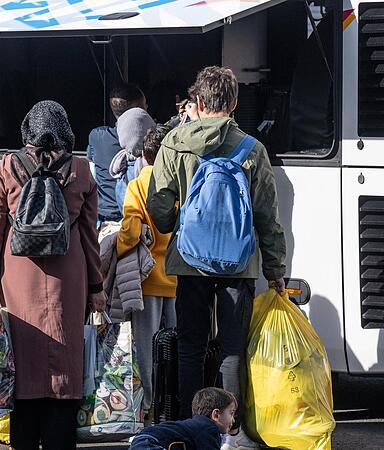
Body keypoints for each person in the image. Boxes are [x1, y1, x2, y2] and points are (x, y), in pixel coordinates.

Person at [147, 66, 286, 449]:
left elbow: (158, 211)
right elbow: (267, 217)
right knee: (230, 350)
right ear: (235, 103)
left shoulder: (174, 143)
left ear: (199, 102)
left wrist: (184, 220)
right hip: (239, 264)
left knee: (190, 345)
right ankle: (231, 434)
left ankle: (194, 429)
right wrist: (276, 270)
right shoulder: (252, 149)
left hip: (190, 262)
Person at [0, 100, 106, 449]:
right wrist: (96, 286)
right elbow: (90, 237)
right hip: (70, 277)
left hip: (18, 277)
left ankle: (23, 440)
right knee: (65, 359)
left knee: (22, 363)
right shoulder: (80, 170)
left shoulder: (8, 166)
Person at [116, 125, 176, 417]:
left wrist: (114, 245)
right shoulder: (180, 182)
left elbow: (129, 232)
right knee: (177, 344)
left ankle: (149, 405)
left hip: (149, 279)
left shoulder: (138, 185)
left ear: (144, 154)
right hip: (179, 278)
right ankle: (175, 402)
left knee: (146, 347)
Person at [86, 83, 147, 224]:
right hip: (136, 216)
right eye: (144, 106)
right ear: (138, 111)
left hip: (105, 215)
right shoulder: (149, 139)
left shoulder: (97, 136)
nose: (147, 109)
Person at [129, 387, 237, 450]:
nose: (233, 420)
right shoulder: (208, 428)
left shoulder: (195, 427)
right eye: (231, 413)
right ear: (216, 415)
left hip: (142, 439)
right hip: (149, 443)